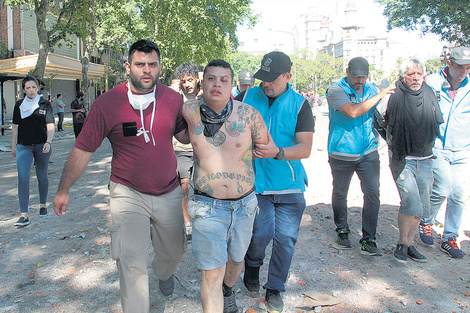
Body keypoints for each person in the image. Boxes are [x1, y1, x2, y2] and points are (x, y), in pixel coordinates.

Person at [53, 40, 188, 313]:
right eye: (140, 64)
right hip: (127, 193)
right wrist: (63, 189)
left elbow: (185, 136)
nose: (146, 70)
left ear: (160, 66)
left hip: (169, 190)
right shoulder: (107, 103)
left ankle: (164, 273)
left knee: (174, 253)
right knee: (131, 262)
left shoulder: (173, 99)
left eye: (152, 64)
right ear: (128, 66)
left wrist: (204, 121)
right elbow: (83, 149)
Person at [183, 59, 268, 313]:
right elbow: (172, 137)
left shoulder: (249, 114)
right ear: (202, 82)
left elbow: (266, 146)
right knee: (212, 273)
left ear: (232, 84)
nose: (217, 84)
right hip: (207, 206)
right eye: (211, 79)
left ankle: (228, 290)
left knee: (236, 260)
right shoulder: (189, 111)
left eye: (223, 80)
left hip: (244, 205)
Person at [235, 51, 314, 313]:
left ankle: (275, 288)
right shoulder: (247, 97)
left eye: (272, 79)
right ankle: (253, 266)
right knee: (260, 234)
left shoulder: (300, 104)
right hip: (255, 184)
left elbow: (305, 148)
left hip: (289, 184)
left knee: (286, 238)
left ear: (287, 76)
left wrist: (277, 152)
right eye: (263, 78)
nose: (265, 84)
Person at [326, 57, 395, 255]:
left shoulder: (371, 88)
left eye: (363, 77)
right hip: (341, 152)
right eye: (357, 77)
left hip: (368, 151)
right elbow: (353, 112)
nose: (360, 81)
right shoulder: (336, 90)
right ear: (347, 72)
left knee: (373, 193)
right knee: (340, 193)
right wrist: (381, 94)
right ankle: (342, 230)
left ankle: (368, 239)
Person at [376, 58, 442, 263]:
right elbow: (378, 119)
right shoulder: (392, 95)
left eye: (419, 74)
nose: (415, 78)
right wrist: (391, 140)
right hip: (402, 158)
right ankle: (401, 244)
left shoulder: (430, 93)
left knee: (422, 206)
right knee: (411, 202)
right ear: (403, 77)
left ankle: (410, 244)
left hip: (426, 157)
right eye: (410, 74)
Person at [420, 46, 470, 258]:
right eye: (459, 67)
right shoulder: (431, 82)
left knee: (459, 194)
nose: (463, 72)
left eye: (468, 68)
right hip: (438, 144)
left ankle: (449, 237)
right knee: (442, 188)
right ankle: (426, 220)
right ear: (449, 64)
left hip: (464, 148)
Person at [12, 75, 55, 226]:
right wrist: (13, 145)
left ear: (37, 88)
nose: (31, 90)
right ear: (24, 89)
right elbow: (15, 126)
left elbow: (50, 125)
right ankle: (24, 215)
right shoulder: (19, 105)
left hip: (42, 145)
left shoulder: (45, 104)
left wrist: (48, 142)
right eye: (28, 87)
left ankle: (43, 205)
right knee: (23, 178)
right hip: (23, 146)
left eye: (34, 87)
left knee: (41, 175)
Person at [173, 61, 203, 240]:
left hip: (203, 150)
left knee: (202, 187)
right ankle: (187, 223)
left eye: (190, 80)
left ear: (197, 78)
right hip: (181, 150)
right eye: (184, 81)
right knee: (184, 187)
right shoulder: (175, 99)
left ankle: (202, 221)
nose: (187, 84)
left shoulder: (206, 96)